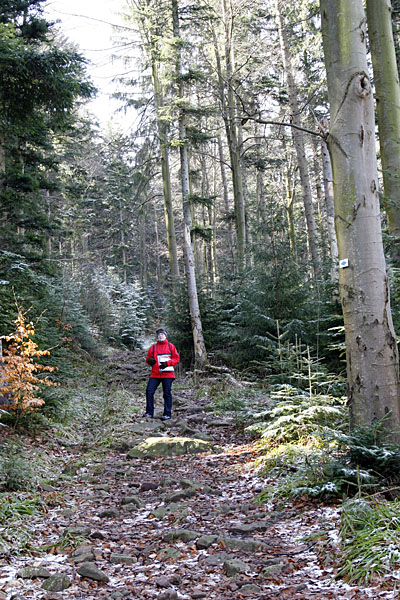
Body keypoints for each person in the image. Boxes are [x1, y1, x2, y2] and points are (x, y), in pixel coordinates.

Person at [143, 328, 180, 420]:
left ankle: (167, 414)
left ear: (165, 336)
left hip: (168, 374)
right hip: (155, 374)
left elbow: (176, 358)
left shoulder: (170, 346)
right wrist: (149, 361)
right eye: (159, 334)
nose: (160, 336)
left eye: (162, 334)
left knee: (167, 393)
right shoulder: (153, 347)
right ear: (157, 336)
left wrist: (168, 363)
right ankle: (149, 412)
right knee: (149, 391)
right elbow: (148, 359)